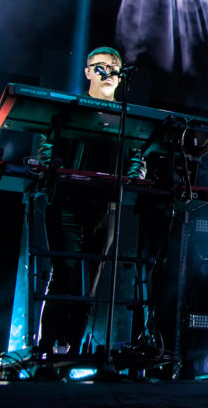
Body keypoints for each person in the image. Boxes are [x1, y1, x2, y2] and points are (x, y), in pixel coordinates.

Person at [37, 46, 143, 355]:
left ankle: (73, 348)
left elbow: (138, 157)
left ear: (120, 76)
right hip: (67, 202)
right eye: (100, 67)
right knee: (65, 271)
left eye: (113, 68)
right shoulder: (70, 109)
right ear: (88, 72)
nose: (108, 72)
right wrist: (55, 171)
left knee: (90, 278)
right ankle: (47, 346)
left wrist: (133, 178)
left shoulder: (127, 118)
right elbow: (47, 145)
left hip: (105, 206)